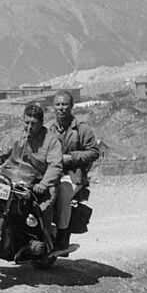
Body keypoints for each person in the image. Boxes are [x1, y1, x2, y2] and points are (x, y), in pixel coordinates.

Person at [0, 102, 63, 234]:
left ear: (41, 122)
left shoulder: (51, 141)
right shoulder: (14, 136)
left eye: (33, 123)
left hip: (36, 184)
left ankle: (46, 240)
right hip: (10, 179)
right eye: (26, 122)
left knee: (43, 207)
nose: (29, 127)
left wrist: (43, 184)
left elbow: (55, 166)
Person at [50, 90, 100, 249]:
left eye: (64, 104)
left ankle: (62, 237)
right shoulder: (47, 129)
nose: (61, 108)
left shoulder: (82, 129)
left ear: (71, 106)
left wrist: (71, 158)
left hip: (72, 175)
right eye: (57, 104)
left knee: (63, 193)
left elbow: (94, 152)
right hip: (50, 172)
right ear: (53, 107)